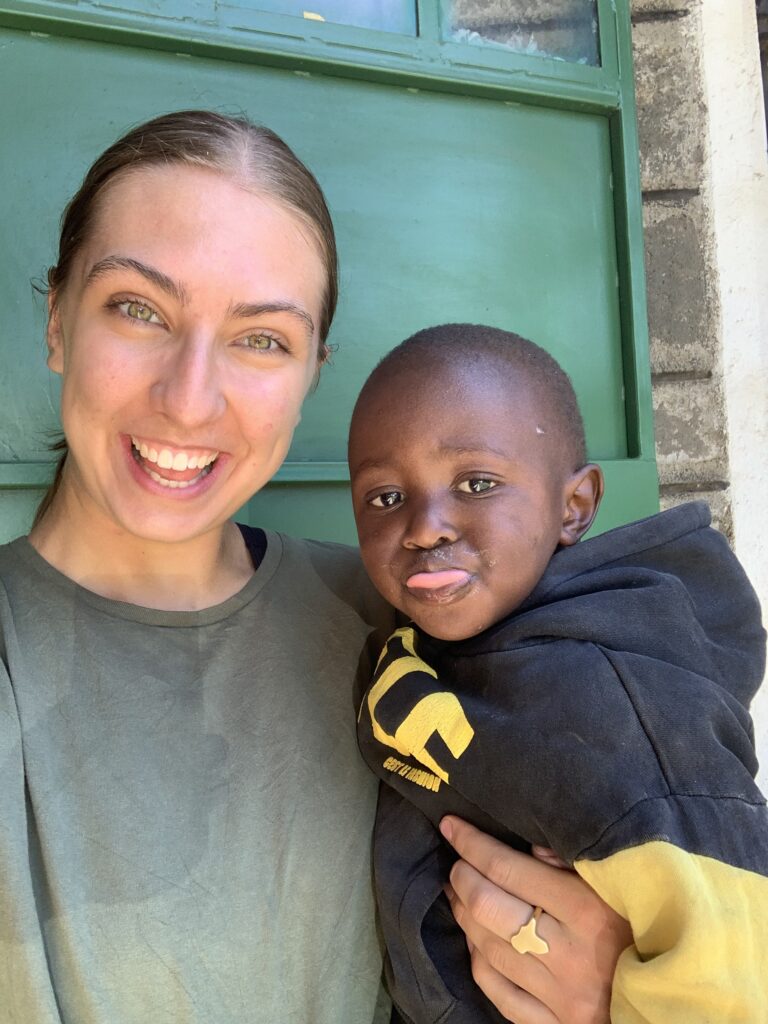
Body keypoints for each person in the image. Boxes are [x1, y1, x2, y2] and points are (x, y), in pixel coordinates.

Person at [0, 113, 630, 1024]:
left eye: (262, 338)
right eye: (139, 310)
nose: (189, 400)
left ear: (311, 376)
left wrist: (617, 985)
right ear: (57, 318)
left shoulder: (416, 622)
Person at [349, 323, 768, 1024]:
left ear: (573, 507)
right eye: (385, 498)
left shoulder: (617, 705)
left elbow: (732, 962)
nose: (424, 527)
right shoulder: (439, 638)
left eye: (477, 483)